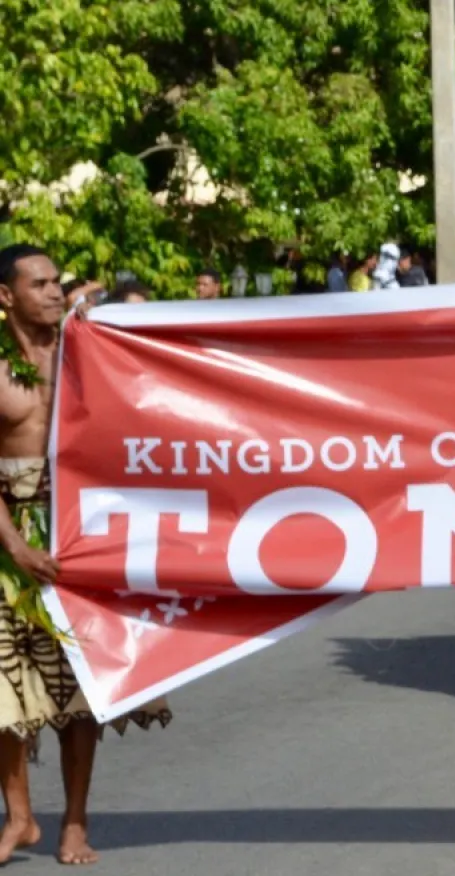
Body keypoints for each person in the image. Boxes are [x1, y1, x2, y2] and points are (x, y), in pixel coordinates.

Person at [0, 245, 172, 866]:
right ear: (5, 297)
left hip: (81, 537)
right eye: (39, 283)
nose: (53, 291)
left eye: (57, 282)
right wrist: (17, 546)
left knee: (81, 690)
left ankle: (74, 820)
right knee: (3, 692)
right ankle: (20, 818)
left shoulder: (87, 352)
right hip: (11, 540)